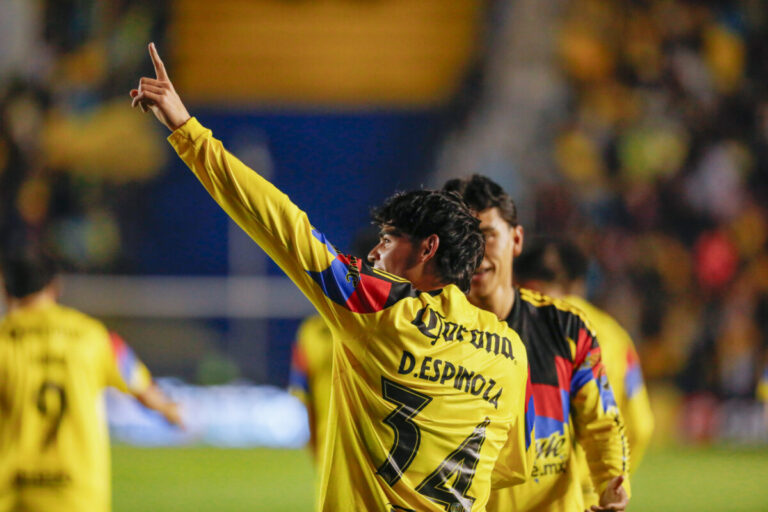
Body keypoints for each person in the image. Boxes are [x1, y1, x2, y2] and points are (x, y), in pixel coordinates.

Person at [131, 43, 535, 512]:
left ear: (428, 248)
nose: (376, 250)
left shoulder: (378, 307)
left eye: (391, 238)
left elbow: (282, 224)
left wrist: (187, 131)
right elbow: (509, 468)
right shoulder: (509, 350)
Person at [442, 175, 629, 512]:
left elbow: (601, 422)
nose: (473, 252)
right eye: (459, 237)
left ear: (516, 239)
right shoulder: (423, 332)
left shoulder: (566, 327)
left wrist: (611, 483)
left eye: (487, 235)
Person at [0, 249, 181, 512]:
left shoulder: (4, 338)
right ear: (55, 286)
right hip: (79, 491)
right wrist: (169, 410)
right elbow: (141, 386)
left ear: (7, 290)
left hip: (14, 492)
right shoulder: (95, 336)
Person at [514, 236, 654, 507]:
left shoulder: (508, 325)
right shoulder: (615, 336)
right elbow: (641, 424)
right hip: (593, 493)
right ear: (579, 283)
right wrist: (614, 480)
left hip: (529, 492)